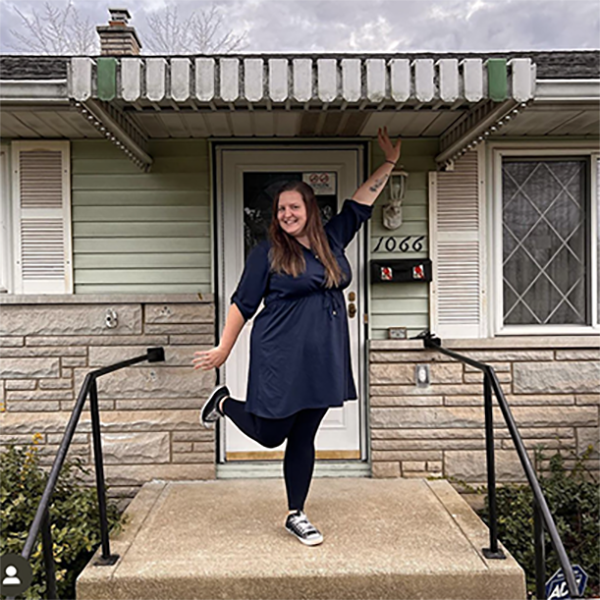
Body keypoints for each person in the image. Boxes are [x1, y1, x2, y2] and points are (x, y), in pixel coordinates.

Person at [193, 127, 401, 546]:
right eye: (281, 209)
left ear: (309, 207)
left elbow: (360, 203)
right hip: (281, 354)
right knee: (271, 434)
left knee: (304, 435)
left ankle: (296, 513)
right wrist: (223, 348)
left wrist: (389, 163)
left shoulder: (332, 241)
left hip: (325, 355)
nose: (287, 214)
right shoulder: (266, 253)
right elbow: (242, 303)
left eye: (294, 206)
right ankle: (226, 402)